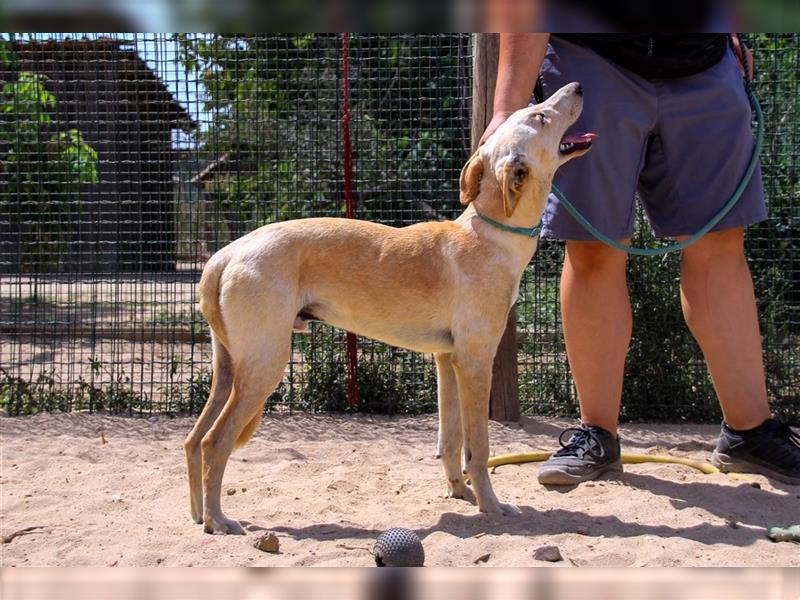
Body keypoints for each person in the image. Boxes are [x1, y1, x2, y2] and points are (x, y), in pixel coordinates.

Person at [480, 33, 800, 486]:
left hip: (704, 64)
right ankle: (597, 436)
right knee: (594, 247)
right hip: (591, 60)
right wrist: (506, 110)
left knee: (720, 245)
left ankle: (750, 434)